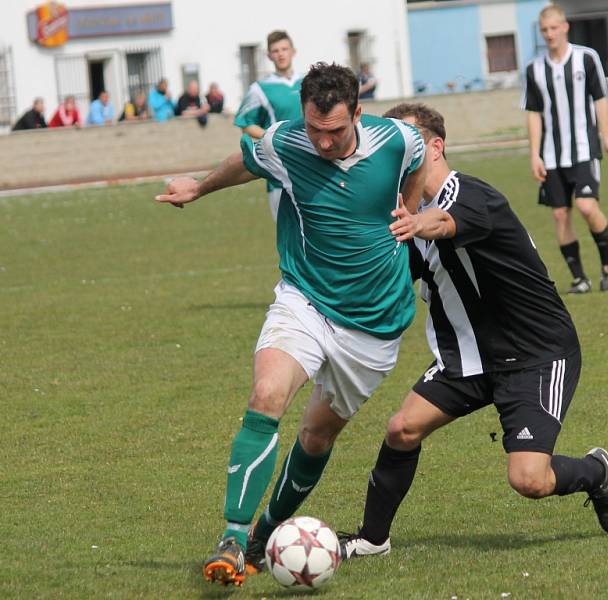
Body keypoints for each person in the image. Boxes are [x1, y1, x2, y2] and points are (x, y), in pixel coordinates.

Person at [155, 62, 426, 587]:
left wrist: (409, 211)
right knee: (266, 395)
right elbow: (245, 162)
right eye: (314, 129)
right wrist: (198, 187)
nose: (322, 143)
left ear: (358, 116)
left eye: (335, 132)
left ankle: (266, 536)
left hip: (374, 324)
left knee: (316, 438)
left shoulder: (398, 140)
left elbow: (418, 163)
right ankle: (234, 537)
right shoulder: (287, 141)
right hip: (304, 300)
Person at [336, 103, 608, 560]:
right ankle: (373, 539)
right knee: (402, 429)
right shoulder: (406, 216)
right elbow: (384, 280)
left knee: (528, 480)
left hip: (536, 353)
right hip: (468, 359)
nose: (396, 156)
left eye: (407, 144)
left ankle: (595, 471)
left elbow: (444, 223)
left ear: (435, 146)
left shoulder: (470, 196)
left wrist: (413, 224)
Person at [523, 3, 608, 294]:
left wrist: (607, 140)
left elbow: (601, 100)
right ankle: (579, 279)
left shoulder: (586, 58)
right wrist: (534, 154)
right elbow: (533, 112)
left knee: (585, 205)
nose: (549, 34)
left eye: (554, 28)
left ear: (565, 26)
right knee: (560, 214)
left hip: (584, 150)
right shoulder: (534, 69)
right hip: (551, 154)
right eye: (544, 30)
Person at [234, 30, 303, 220]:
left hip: (311, 161)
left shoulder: (309, 81)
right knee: (288, 234)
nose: (280, 54)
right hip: (279, 167)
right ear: (269, 55)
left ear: (293, 51)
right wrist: (273, 137)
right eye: (275, 50)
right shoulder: (260, 89)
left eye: (284, 49)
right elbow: (245, 123)